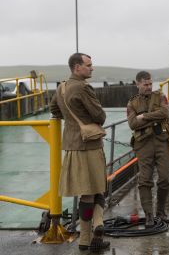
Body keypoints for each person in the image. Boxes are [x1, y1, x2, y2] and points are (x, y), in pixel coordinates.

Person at [50, 53, 110, 252]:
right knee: (99, 187)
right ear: (77, 67)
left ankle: (85, 240)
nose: (92, 68)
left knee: (85, 194)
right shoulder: (83, 88)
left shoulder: (62, 87)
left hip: (73, 147)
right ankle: (99, 222)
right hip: (91, 146)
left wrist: (73, 122)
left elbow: (54, 109)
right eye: (89, 65)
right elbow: (99, 116)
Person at [127, 71, 169, 227]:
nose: (148, 87)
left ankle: (161, 212)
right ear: (137, 84)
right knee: (145, 180)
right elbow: (133, 124)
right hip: (143, 144)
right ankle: (148, 216)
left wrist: (144, 117)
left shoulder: (160, 97)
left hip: (162, 142)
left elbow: (165, 113)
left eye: (150, 84)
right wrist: (154, 117)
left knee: (165, 179)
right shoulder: (132, 103)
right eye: (145, 84)